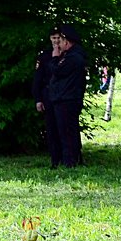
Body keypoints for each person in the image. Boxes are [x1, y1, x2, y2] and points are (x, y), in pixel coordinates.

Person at [47, 24, 87, 168]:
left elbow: (57, 71)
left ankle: (70, 161)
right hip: (65, 98)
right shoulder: (72, 56)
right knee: (67, 131)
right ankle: (71, 159)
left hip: (67, 99)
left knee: (67, 132)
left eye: (61, 41)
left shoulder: (73, 57)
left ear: (67, 42)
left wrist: (54, 58)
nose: (59, 44)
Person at [32, 28, 64, 167]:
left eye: (58, 38)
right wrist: (38, 99)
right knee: (51, 127)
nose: (56, 41)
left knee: (64, 127)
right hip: (48, 94)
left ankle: (67, 158)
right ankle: (54, 159)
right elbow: (38, 79)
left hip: (63, 95)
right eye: (53, 38)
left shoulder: (68, 55)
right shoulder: (44, 56)